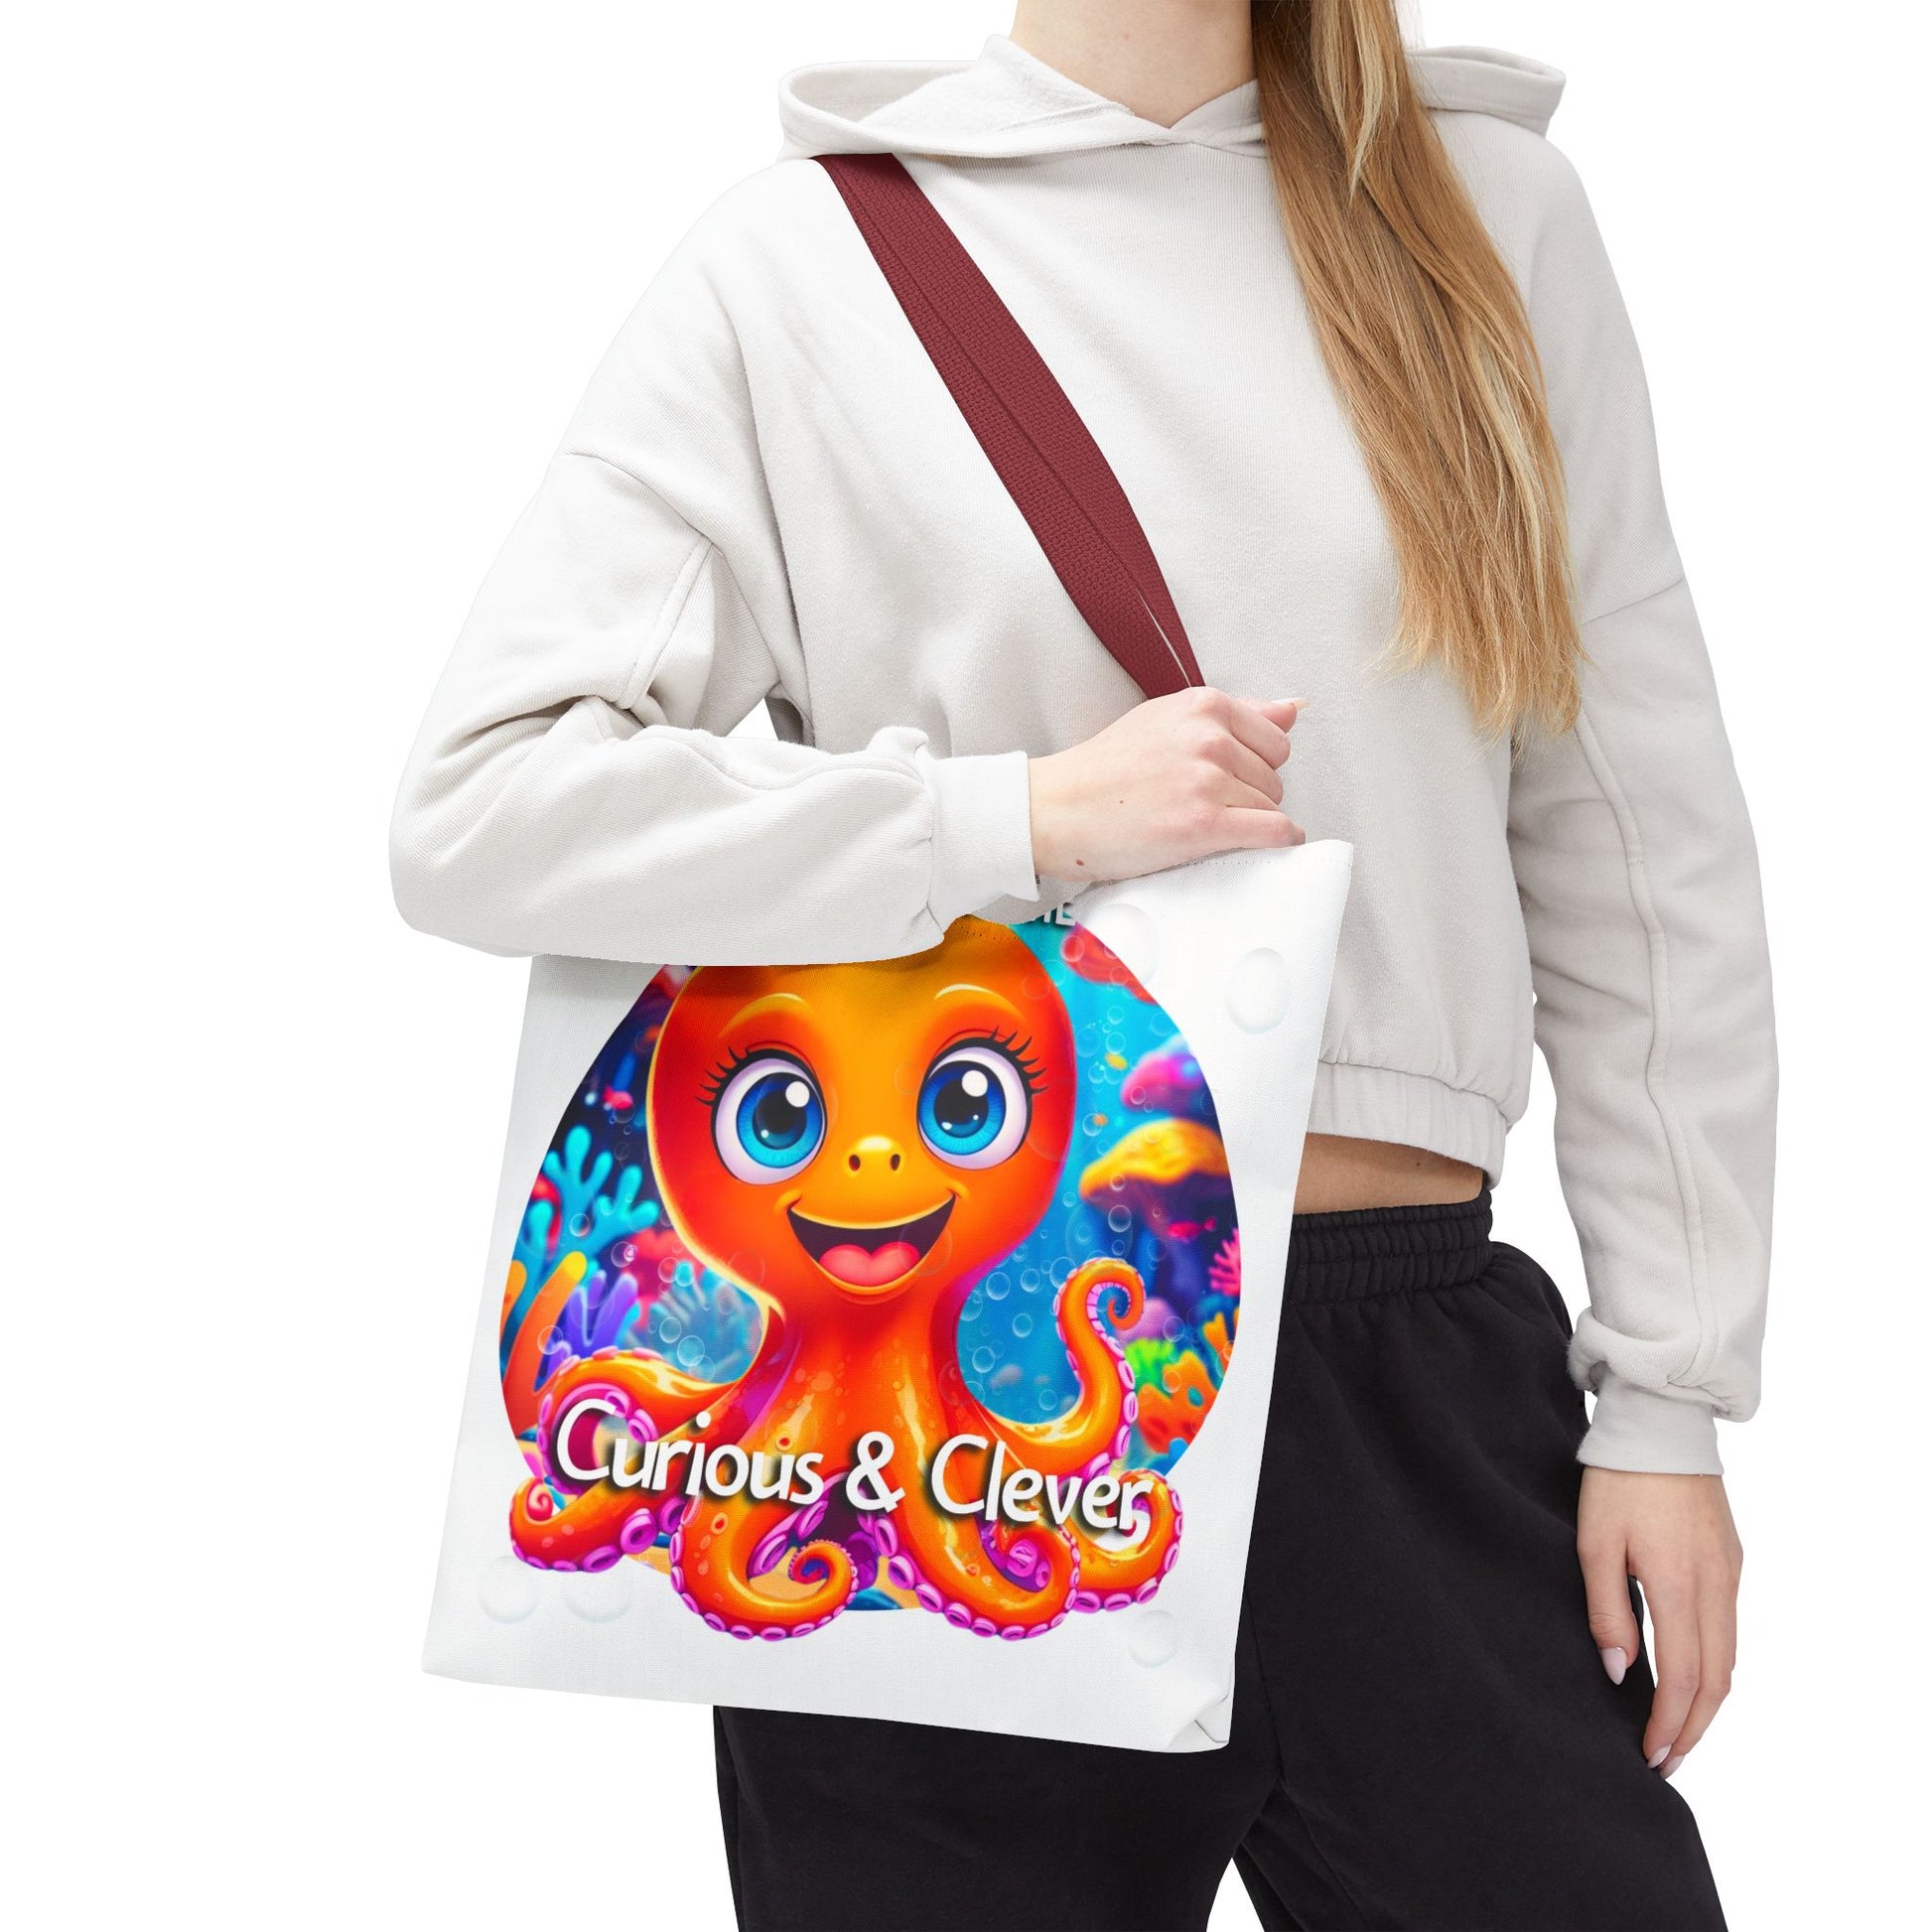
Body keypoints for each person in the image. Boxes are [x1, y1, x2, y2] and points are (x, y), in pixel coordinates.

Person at [389, 3, 1772, 1925]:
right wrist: (1016, 818)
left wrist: (1667, 1399)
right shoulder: (799, 258)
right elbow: (483, 807)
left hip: (1407, 1359)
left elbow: (1636, 843)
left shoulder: (1481, 208)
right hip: (934, 1394)